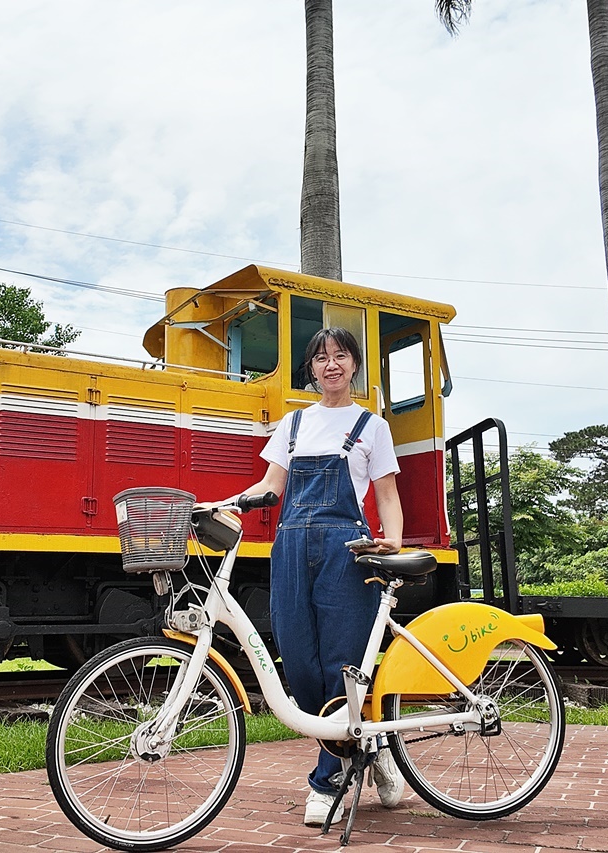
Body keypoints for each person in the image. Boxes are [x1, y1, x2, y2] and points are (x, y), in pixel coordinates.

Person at [236, 326, 406, 826]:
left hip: (346, 550)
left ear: (354, 364)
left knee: (343, 661)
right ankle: (370, 751)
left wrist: (392, 540)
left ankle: (327, 776)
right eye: (321, 357)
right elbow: (270, 486)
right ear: (311, 368)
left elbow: (387, 497)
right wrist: (226, 503)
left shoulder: (371, 426)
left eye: (341, 356)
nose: (331, 364)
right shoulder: (292, 425)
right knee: (300, 664)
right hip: (289, 548)